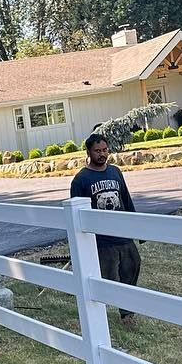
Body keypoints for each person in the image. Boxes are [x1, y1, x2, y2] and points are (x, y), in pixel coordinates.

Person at [69, 132, 140, 325]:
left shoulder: (115, 172)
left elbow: (125, 198)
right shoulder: (80, 180)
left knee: (131, 270)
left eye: (105, 150)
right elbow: (75, 216)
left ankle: (127, 315)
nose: (102, 154)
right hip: (101, 241)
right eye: (97, 151)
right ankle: (97, 318)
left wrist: (137, 229)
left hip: (123, 235)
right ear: (89, 152)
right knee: (107, 279)